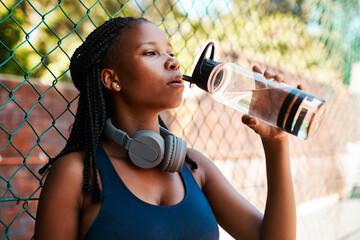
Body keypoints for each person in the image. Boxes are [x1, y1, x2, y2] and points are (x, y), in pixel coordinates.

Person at [34, 16, 297, 240]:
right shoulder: (75, 175)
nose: (173, 63)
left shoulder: (195, 167)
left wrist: (276, 144)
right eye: (151, 53)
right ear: (112, 79)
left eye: (171, 53)